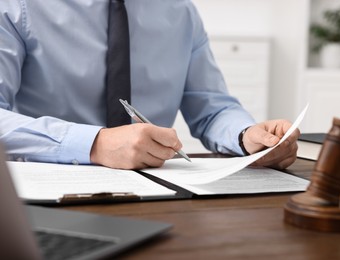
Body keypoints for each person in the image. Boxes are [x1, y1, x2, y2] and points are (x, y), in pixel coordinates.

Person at [0, 0, 299, 170]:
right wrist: (94, 144)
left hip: (156, 188)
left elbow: (211, 108)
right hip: (47, 185)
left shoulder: (181, 12)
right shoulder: (18, 7)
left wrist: (246, 136)